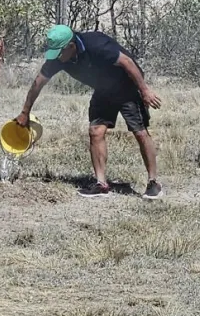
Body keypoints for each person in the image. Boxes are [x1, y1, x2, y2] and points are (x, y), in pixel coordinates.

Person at [14, 24, 164, 199]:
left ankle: (154, 183)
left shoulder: (97, 45)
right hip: (103, 89)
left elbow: (127, 62)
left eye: (59, 53)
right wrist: (25, 112)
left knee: (139, 132)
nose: (57, 58)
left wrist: (144, 90)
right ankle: (101, 184)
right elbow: (38, 83)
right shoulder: (58, 59)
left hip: (127, 85)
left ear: (71, 45)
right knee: (95, 131)